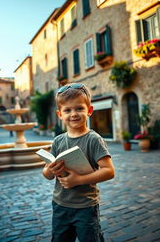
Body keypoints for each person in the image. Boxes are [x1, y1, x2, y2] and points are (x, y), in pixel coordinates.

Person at [42, 83, 115, 242]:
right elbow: (46, 174)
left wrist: (79, 180)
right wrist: (50, 170)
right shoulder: (58, 141)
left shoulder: (94, 140)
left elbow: (109, 171)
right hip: (60, 205)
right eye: (67, 110)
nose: (73, 114)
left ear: (89, 111)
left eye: (79, 108)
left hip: (86, 206)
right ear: (59, 114)